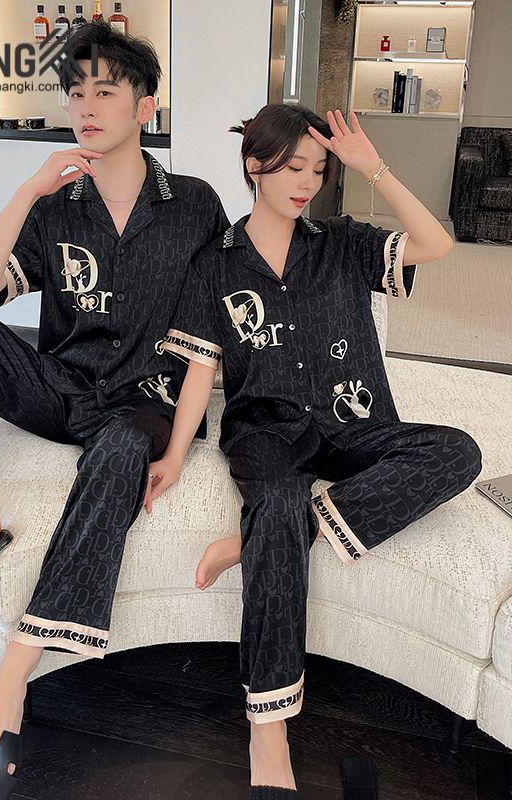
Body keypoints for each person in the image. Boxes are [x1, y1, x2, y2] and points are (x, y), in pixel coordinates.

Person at [0, 23, 228, 798]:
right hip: (63, 385)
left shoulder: (193, 204)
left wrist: (177, 450)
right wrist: (27, 191)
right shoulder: (58, 205)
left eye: (105, 91)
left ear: (145, 107)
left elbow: (206, 344)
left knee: (121, 447)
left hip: (144, 402)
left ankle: (11, 678)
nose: (85, 106)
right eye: (75, 92)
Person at [145, 102, 483, 799]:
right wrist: (175, 456)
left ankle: (268, 535)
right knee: (273, 499)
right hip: (266, 429)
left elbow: (436, 245)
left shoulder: (343, 242)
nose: (307, 182)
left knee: (458, 452)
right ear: (254, 165)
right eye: (293, 166)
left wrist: (375, 169)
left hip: (353, 419)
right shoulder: (215, 265)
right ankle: (267, 736)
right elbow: (201, 370)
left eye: (319, 169)